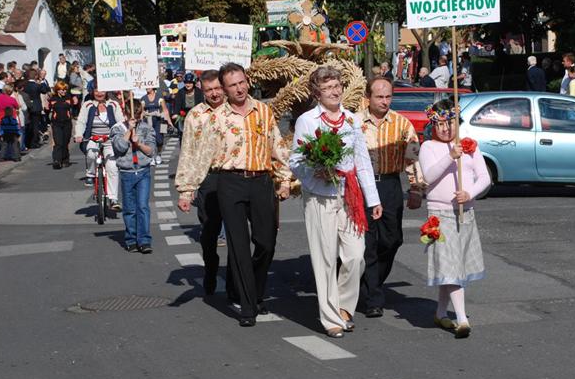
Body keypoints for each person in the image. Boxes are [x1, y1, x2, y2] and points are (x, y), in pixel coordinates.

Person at [175, 63, 291, 326]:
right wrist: (187, 187)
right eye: (232, 85)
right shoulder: (217, 119)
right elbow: (200, 153)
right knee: (238, 245)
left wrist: (285, 179)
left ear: (247, 82)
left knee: (266, 242)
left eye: (241, 82)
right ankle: (248, 307)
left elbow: (278, 147)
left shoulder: (263, 111)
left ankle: (256, 290)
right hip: (230, 183)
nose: (238, 88)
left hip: (261, 181)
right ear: (225, 90)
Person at [289, 65, 382, 338]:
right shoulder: (308, 120)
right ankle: (330, 317)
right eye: (328, 87)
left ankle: (343, 306)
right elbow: (295, 160)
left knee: (355, 255)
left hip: (350, 195)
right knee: (326, 258)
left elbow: (362, 161)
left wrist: (372, 199)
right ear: (317, 93)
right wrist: (313, 172)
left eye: (337, 86)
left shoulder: (352, 119)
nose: (335, 91)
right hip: (320, 196)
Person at [418, 99, 491, 339]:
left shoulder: (469, 146)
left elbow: (484, 178)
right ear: (433, 125)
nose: (445, 128)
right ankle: (461, 318)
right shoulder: (428, 147)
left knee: (454, 266)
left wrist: (469, 193)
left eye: (450, 122)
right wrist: (450, 156)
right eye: (440, 124)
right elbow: (428, 176)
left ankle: (440, 312)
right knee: (451, 266)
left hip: (465, 212)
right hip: (440, 214)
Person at [357, 77, 424, 319]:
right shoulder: (355, 123)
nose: (385, 101)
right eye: (379, 97)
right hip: (362, 186)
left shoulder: (402, 124)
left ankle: (366, 283)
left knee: (392, 239)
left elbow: (413, 157)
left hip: (389, 184)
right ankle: (373, 298)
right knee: (368, 245)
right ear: (368, 98)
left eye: (388, 97)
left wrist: (416, 189)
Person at [175, 70, 235, 299]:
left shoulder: (236, 110)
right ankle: (211, 267)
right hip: (208, 180)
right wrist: (186, 190)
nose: (214, 94)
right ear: (202, 90)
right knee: (209, 232)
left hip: (233, 176)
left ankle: (233, 280)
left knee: (236, 232)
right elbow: (188, 152)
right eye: (209, 90)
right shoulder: (195, 115)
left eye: (217, 88)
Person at [111, 101, 156, 253]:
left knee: (142, 206)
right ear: (125, 115)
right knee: (129, 209)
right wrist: (129, 131)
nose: (135, 119)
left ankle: (144, 240)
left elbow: (151, 151)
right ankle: (131, 238)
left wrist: (139, 144)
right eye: (132, 116)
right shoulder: (117, 129)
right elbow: (120, 147)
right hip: (126, 172)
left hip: (143, 171)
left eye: (137, 116)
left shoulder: (146, 128)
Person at [75, 90, 125, 210]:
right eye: (96, 91)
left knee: (112, 167)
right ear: (92, 92)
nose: (99, 93)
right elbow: (81, 121)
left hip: (109, 140)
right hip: (93, 138)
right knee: (91, 153)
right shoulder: (87, 105)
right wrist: (78, 134)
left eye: (102, 90)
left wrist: (124, 132)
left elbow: (120, 121)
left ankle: (113, 199)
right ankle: (91, 174)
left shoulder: (113, 104)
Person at [140, 87, 173, 165]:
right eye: (146, 86)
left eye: (149, 86)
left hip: (160, 120)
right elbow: (141, 112)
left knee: (160, 140)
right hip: (148, 120)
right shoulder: (143, 99)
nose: (147, 88)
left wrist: (169, 122)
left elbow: (165, 110)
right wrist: (140, 122)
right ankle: (151, 157)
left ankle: (159, 154)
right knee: (149, 139)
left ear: (153, 87)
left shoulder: (160, 98)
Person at [47, 81, 73, 169]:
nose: (63, 91)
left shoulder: (69, 97)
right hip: (56, 123)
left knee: (65, 142)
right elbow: (50, 107)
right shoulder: (53, 98)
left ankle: (65, 159)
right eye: (61, 90)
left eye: (65, 89)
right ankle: (57, 160)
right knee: (58, 142)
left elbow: (72, 105)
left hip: (67, 123)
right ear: (57, 90)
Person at [172, 73, 204, 137]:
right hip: (184, 115)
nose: (188, 84)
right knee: (183, 134)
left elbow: (202, 104)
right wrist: (176, 113)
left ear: (193, 83)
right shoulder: (180, 92)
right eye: (186, 82)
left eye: (190, 83)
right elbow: (177, 104)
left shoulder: (199, 92)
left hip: (196, 115)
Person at [23, 70, 48, 149]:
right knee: (36, 125)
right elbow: (44, 91)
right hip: (36, 106)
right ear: (35, 76)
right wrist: (41, 82)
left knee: (29, 125)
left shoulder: (25, 85)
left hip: (27, 106)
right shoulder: (37, 85)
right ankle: (34, 142)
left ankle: (27, 142)